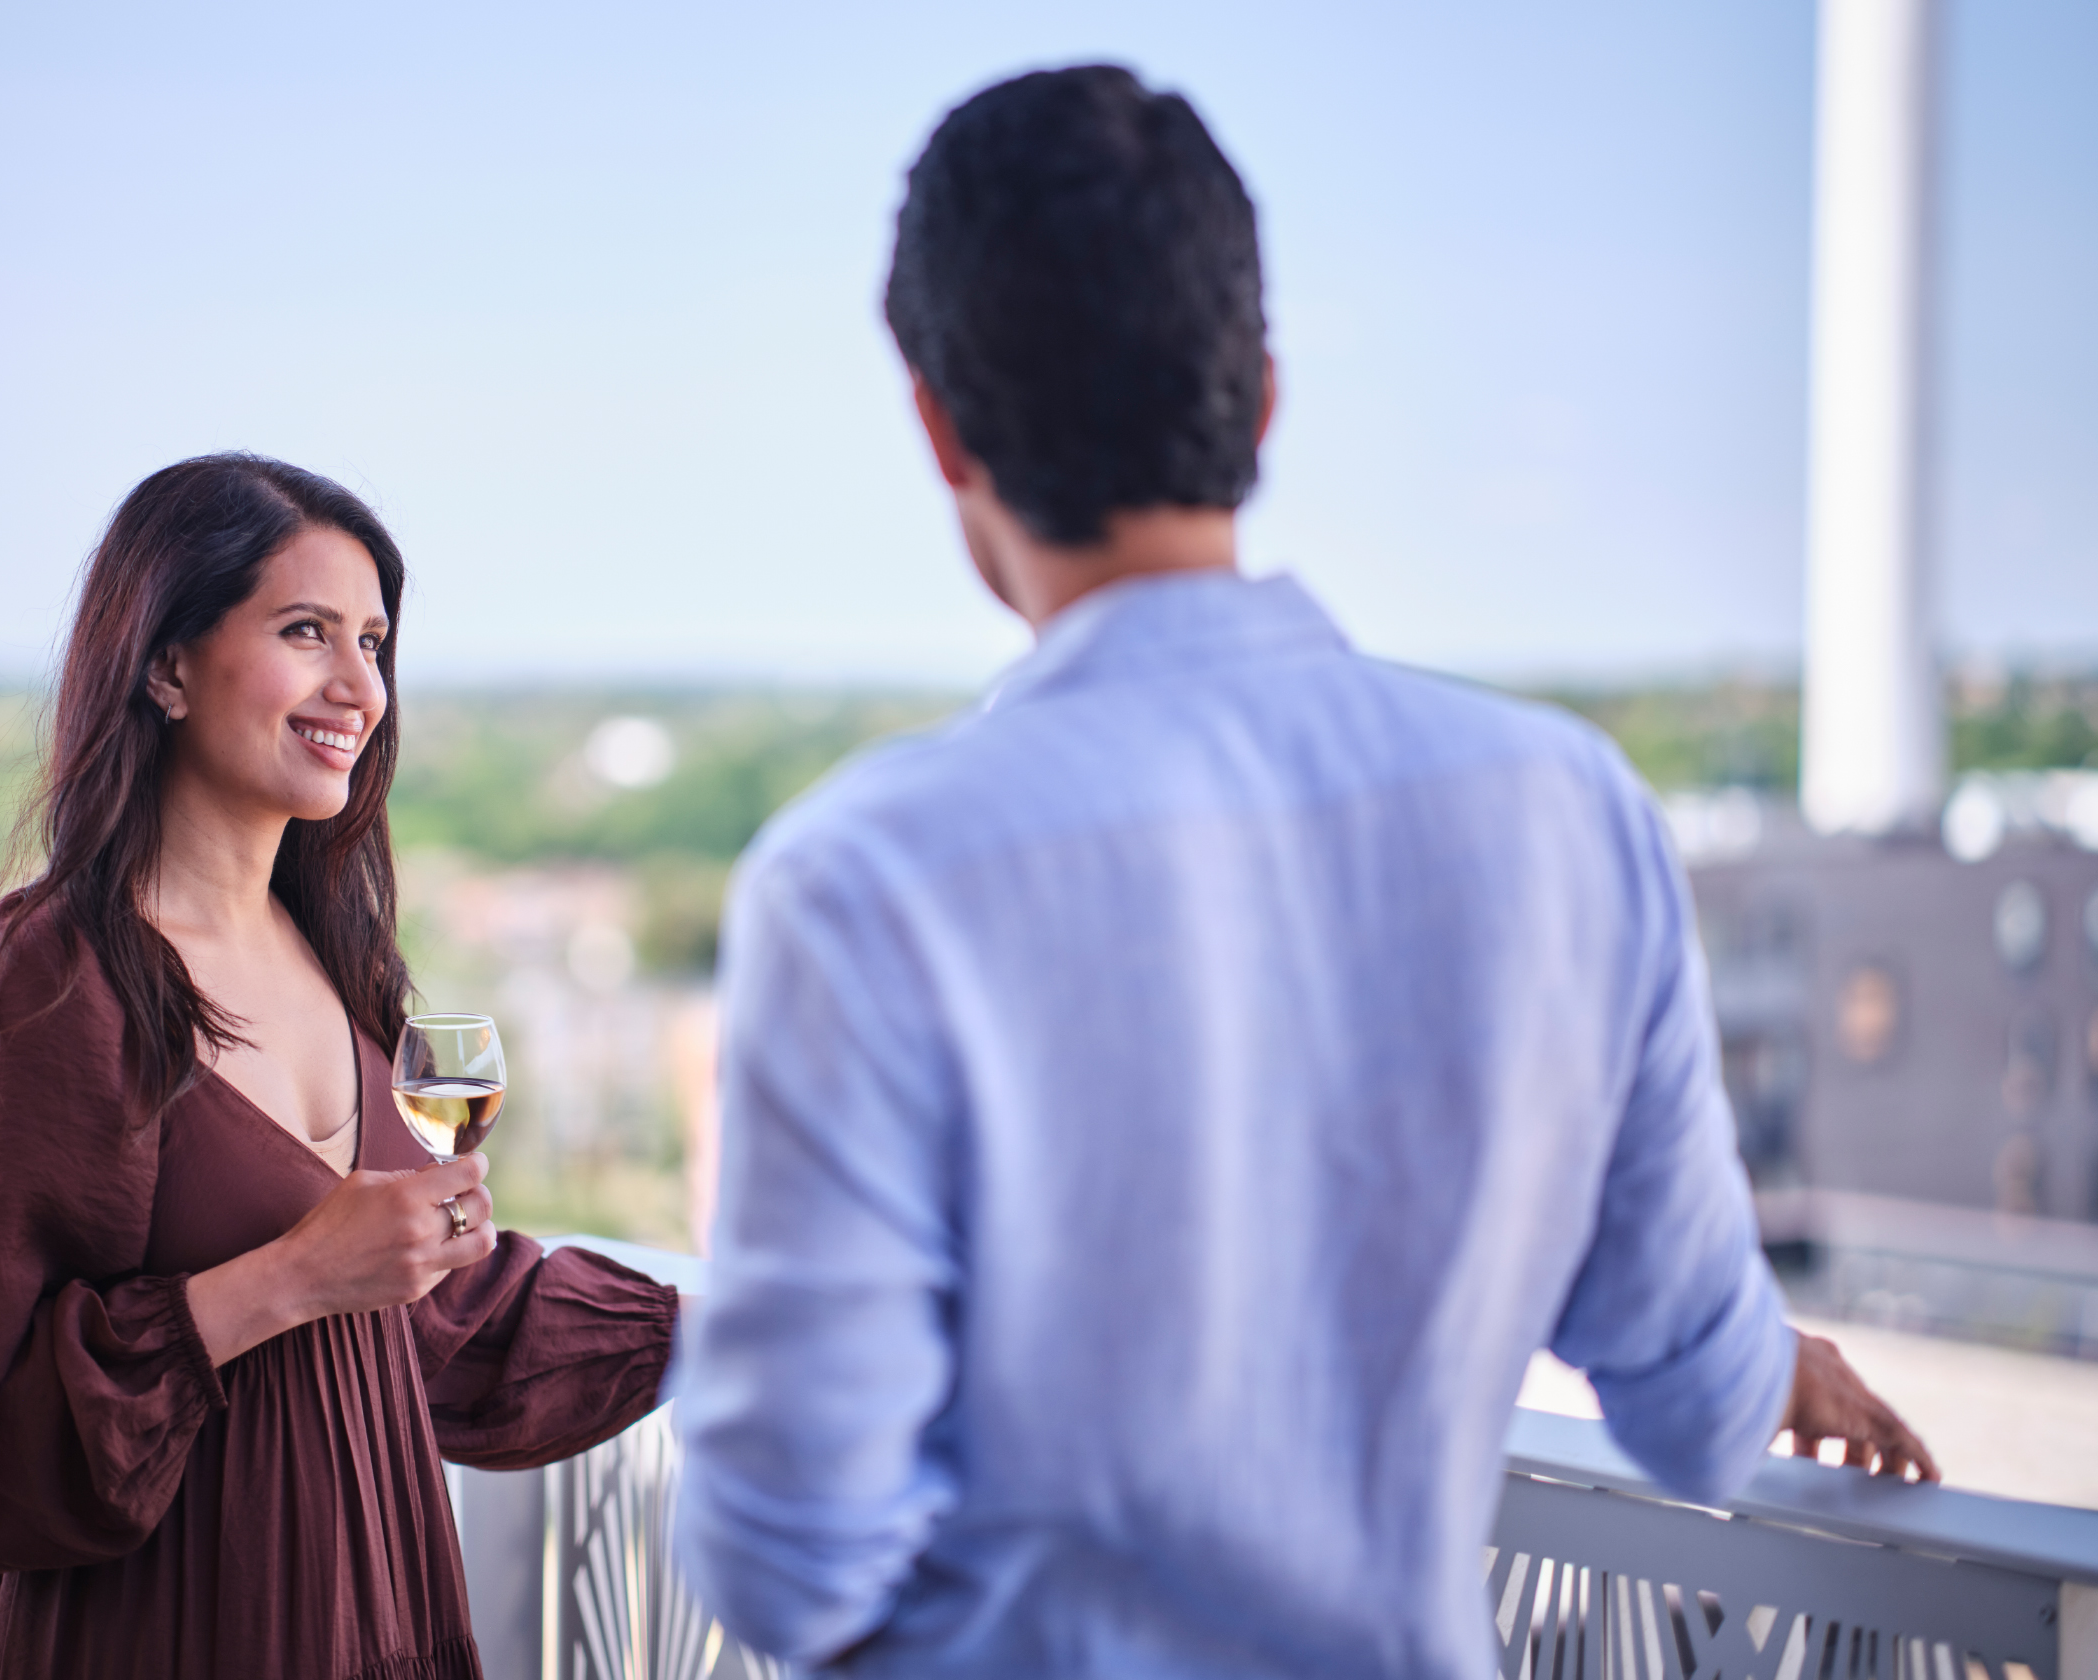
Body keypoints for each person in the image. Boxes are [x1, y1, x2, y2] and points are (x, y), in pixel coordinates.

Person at [671, 65, 1933, 1679]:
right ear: (1261, 397)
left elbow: (785, 1566)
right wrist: (1768, 1360)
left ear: (939, 423)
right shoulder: (1570, 808)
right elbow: (1694, 1413)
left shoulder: (865, 883)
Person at [0, 454, 679, 1679]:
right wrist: (290, 1277)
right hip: (167, 1634)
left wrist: (726, 1330)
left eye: (374, 642)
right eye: (307, 632)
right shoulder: (42, 984)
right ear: (164, 663)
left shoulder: (334, 957)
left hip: (384, 1613)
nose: (359, 686)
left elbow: (441, 1323)